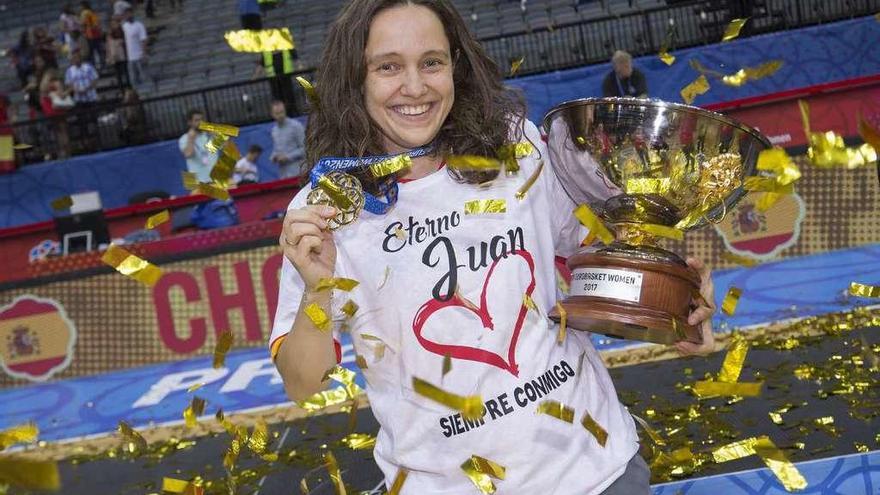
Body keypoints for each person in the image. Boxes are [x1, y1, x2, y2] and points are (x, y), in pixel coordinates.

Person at [271, 1, 716, 494]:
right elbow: (302, 384)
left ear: (456, 67)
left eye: (432, 62)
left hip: (597, 474)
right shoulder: (329, 207)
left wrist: (673, 306)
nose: (415, 87)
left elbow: (600, 264)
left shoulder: (516, 146)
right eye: (388, 66)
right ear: (354, 79)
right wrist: (317, 290)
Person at [178, 109, 217, 183]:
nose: (200, 122)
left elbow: (227, 148)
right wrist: (191, 139)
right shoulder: (184, 139)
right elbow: (188, 154)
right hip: (198, 182)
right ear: (189, 122)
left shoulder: (210, 135)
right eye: (197, 120)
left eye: (202, 119)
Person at [268, 100, 305, 178]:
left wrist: (287, 157)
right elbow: (276, 150)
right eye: (277, 113)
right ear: (272, 114)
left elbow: (305, 148)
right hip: (283, 175)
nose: (280, 115)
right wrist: (274, 157)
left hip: (299, 172)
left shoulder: (296, 126)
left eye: (282, 112)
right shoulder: (274, 130)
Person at [121, 7, 148, 88]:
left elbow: (144, 40)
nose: (128, 16)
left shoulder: (139, 25)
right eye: (126, 14)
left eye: (129, 13)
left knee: (144, 78)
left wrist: (144, 53)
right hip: (130, 57)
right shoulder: (124, 26)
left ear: (132, 14)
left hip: (139, 56)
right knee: (134, 80)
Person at [105, 17, 128, 92]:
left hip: (123, 55)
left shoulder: (122, 32)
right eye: (112, 24)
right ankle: (121, 90)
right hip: (114, 56)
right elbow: (108, 46)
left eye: (115, 23)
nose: (113, 25)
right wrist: (108, 57)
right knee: (118, 75)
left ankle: (129, 88)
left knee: (126, 72)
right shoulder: (109, 34)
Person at [80, 1, 104, 68]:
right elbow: (98, 23)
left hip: (90, 34)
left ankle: (94, 66)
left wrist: (83, 32)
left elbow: (83, 23)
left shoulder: (84, 13)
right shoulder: (93, 12)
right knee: (99, 51)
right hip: (97, 33)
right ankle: (102, 65)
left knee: (91, 53)